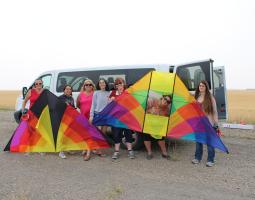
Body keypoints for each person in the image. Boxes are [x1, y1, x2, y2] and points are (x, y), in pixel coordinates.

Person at [191, 80, 219, 167]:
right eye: (200, 86)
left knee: (209, 143)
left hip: (208, 124)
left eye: (203, 86)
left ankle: (210, 160)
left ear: (206, 87)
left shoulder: (210, 98)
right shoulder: (197, 97)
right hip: (198, 124)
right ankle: (197, 158)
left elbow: (214, 112)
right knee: (198, 142)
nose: (201, 87)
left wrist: (216, 124)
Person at [109, 78, 135, 160]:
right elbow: (109, 104)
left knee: (128, 134)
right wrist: (111, 100)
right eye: (117, 85)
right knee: (116, 134)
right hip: (116, 118)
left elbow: (132, 103)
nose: (119, 86)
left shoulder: (127, 93)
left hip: (126, 118)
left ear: (124, 84)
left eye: (121, 84)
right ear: (115, 86)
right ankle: (116, 151)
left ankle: (130, 150)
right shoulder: (113, 93)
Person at [144, 94, 172, 160]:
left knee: (161, 138)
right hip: (148, 123)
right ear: (162, 98)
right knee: (146, 137)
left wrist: (160, 115)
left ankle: (164, 153)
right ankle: (149, 153)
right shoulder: (153, 101)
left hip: (158, 126)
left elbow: (167, 119)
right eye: (165, 99)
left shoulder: (167, 110)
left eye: (168, 102)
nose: (166, 101)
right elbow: (144, 109)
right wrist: (150, 111)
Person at [21, 78, 45, 156]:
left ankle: (39, 149)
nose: (38, 85)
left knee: (39, 132)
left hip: (41, 114)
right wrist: (23, 110)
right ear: (34, 85)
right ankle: (29, 149)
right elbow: (24, 101)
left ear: (42, 84)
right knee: (30, 131)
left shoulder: (45, 92)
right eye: (36, 84)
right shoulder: (31, 91)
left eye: (40, 83)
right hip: (32, 114)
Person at [88, 78, 110, 157]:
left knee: (103, 134)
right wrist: (91, 116)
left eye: (103, 82)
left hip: (105, 116)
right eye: (100, 83)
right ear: (98, 85)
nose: (102, 84)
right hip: (97, 114)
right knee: (97, 133)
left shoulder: (109, 93)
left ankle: (98, 150)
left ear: (105, 84)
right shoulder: (96, 93)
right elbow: (93, 105)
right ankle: (95, 149)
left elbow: (110, 105)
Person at [76, 79, 95, 161]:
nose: (88, 86)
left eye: (90, 84)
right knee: (84, 134)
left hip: (91, 117)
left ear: (92, 86)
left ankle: (88, 153)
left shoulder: (95, 94)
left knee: (90, 134)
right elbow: (78, 105)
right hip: (83, 116)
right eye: (86, 85)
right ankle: (85, 148)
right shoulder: (80, 95)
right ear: (84, 86)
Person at [58, 85, 75, 159]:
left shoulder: (71, 98)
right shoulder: (60, 98)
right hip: (62, 119)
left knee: (68, 134)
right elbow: (56, 108)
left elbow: (73, 107)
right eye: (67, 89)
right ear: (64, 90)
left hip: (69, 119)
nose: (68, 90)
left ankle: (68, 149)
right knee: (62, 135)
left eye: (70, 89)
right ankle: (61, 151)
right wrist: (65, 106)